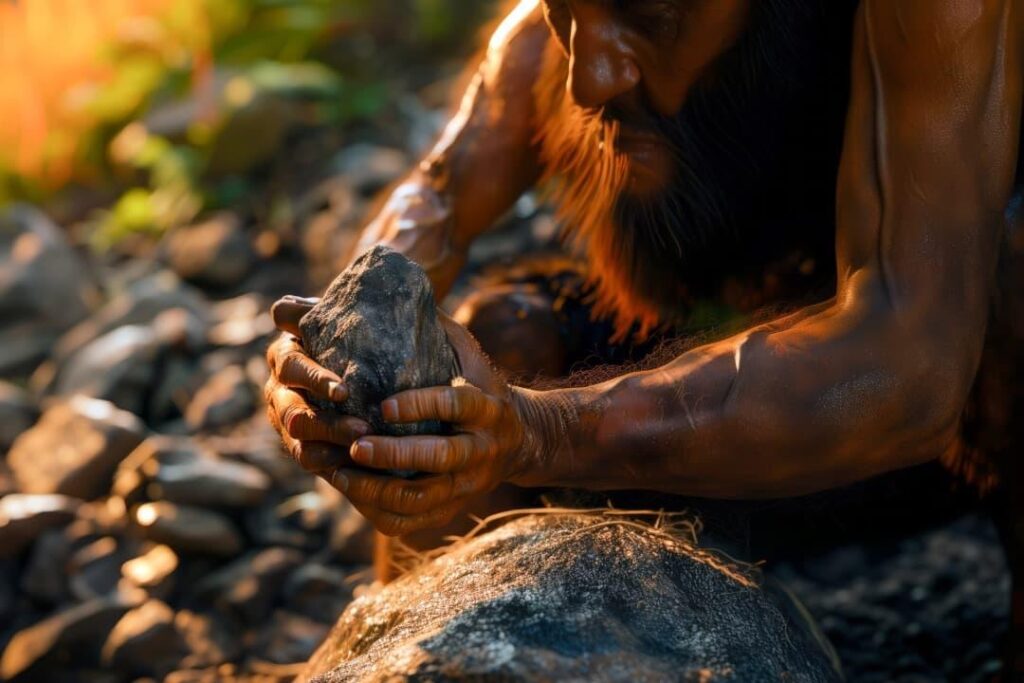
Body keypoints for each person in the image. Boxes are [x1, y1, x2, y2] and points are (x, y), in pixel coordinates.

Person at [264, 0, 1024, 672]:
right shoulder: (552, 37)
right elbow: (433, 197)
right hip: (726, 432)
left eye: (649, 11)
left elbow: (911, 365)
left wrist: (540, 428)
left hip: (940, 416)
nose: (588, 78)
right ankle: (406, 649)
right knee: (490, 354)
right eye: (567, 11)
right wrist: (343, 349)